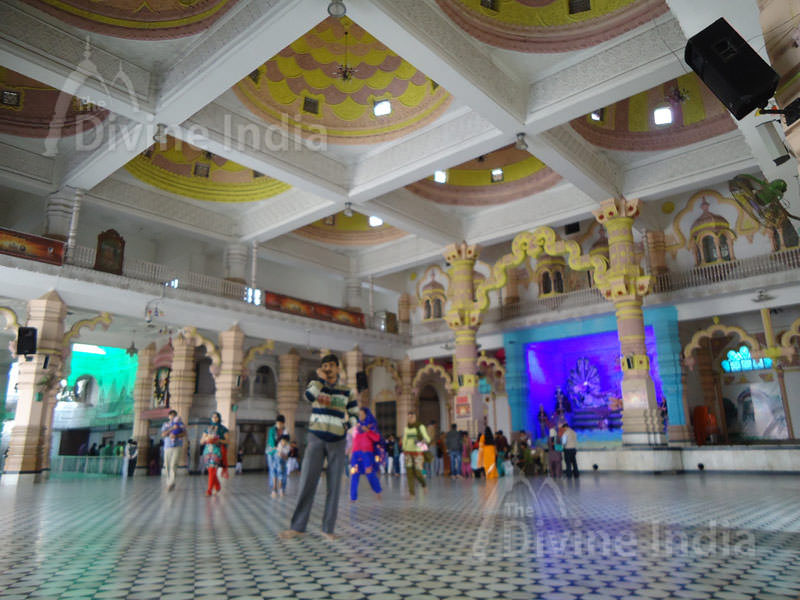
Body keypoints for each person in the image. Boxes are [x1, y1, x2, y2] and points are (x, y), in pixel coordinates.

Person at [281, 353, 358, 541]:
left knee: (334, 486)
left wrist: (345, 426)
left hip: (337, 441)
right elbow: (308, 397)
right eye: (325, 366)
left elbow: (354, 415)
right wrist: (320, 381)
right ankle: (298, 527)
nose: (328, 368)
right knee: (307, 482)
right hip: (316, 438)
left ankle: (328, 529)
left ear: (338, 369)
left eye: (331, 365)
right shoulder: (315, 385)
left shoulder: (347, 391)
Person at [349, 407, 382, 502]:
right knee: (354, 474)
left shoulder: (371, 425)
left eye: (362, 414)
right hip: (355, 453)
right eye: (359, 414)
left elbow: (377, 438)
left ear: (366, 414)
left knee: (370, 473)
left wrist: (368, 430)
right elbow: (353, 439)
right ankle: (353, 497)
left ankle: (378, 490)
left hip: (367, 453)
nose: (360, 416)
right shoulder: (357, 425)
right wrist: (351, 452)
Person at [401, 411, 429, 496]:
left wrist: (424, 440)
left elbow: (427, 438)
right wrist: (404, 449)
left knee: (418, 472)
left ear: (415, 418)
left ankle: (423, 484)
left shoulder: (420, 426)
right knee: (409, 473)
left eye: (412, 417)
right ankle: (411, 493)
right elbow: (404, 439)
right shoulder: (406, 428)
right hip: (408, 452)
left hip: (417, 452)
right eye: (408, 417)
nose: (410, 419)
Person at [200, 412, 228, 496]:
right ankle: (217, 485)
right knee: (210, 470)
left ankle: (209, 490)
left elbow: (227, 441)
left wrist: (218, 440)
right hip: (207, 450)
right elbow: (201, 441)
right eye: (213, 417)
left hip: (217, 450)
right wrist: (206, 439)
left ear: (219, 418)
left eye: (216, 417)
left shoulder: (223, 429)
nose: (214, 418)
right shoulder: (207, 428)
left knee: (212, 468)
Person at [160, 409, 186, 491]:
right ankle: (169, 482)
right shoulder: (165, 424)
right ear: (168, 416)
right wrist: (171, 429)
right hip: (167, 447)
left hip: (177, 446)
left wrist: (177, 436)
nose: (172, 417)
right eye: (171, 415)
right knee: (167, 465)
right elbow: (163, 434)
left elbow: (184, 433)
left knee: (173, 464)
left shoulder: (180, 423)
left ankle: (171, 483)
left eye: (174, 415)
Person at [266, 415, 287, 498]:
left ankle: (281, 489)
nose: (279, 425)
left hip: (281, 452)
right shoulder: (272, 430)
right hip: (271, 452)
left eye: (281, 424)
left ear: (283, 423)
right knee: (273, 470)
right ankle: (274, 489)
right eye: (277, 423)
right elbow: (271, 442)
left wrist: (284, 452)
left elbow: (286, 442)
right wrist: (277, 449)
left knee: (281, 470)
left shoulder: (285, 431)